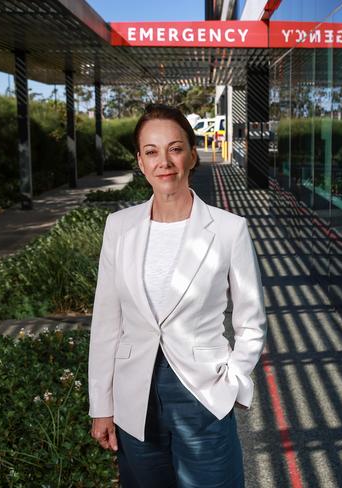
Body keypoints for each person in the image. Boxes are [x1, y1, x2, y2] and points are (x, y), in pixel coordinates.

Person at [88, 103, 267, 487]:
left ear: (192, 154)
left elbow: (250, 321)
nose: (164, 162)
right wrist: (101, 406)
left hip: (202, 389)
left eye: (174, 148)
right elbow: (106, 324)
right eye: (151, 151)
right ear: (139, 161)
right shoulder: (119, 227)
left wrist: (232, 380)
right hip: (135, 393)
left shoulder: (229, 229)